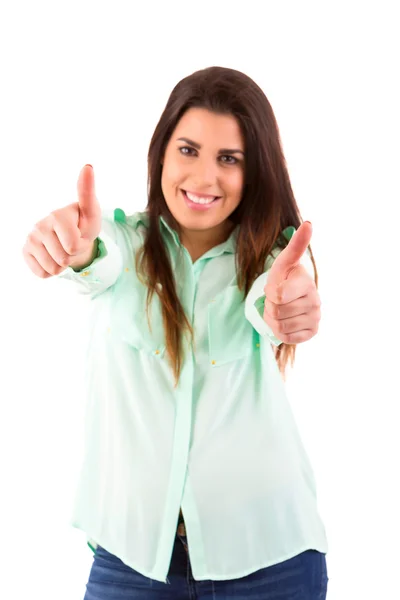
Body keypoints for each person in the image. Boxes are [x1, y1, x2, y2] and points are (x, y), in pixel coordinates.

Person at [22, 66, 329, 599]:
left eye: (228, 159)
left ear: (252, 172)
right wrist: (73, 248)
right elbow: (98, 259)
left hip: (271, 563)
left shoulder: (272, 260)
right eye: (188, 150)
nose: (204, 178)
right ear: (162, 152)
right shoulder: (122, 243)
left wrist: (287, 310)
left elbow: (271, 300)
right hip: (133, 565)